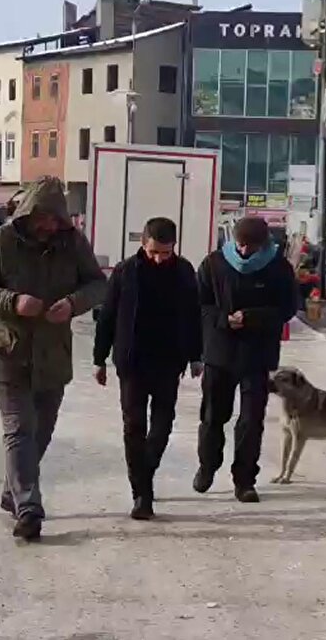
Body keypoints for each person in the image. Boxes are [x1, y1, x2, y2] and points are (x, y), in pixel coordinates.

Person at [0, 176, 106, 541]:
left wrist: (73, 303)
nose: (49, 225)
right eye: (43, 217)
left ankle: (12, 491)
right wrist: (12, 302)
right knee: (20, 428)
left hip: (52, 354)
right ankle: (28, 508)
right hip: (6, 352)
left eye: (56, 219)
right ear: (28, 213)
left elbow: (97, 284)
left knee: (42, 430)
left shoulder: (73, 243)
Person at [92, 217, 203, 521]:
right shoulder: (125, 271)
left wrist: (196, 356)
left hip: (169, 360)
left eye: (165, 253)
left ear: (174, 247)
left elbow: (194, 315)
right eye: (154, 252)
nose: (158, 259)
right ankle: (141, 493)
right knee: (134, 426)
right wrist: (99, 358)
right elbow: (108, 315)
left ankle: (146, 470)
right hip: (132, 361)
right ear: (143, 244)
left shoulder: (184, 272)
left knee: (162, 425)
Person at [194, 216, 297, 503]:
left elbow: (288, 308)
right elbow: (199, 304)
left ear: (263, 244)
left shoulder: (278, 267)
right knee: (213, 416)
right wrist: (222, 319)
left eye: (250, 247)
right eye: (239, 245)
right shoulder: (214, 263)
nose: (243, 252)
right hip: (220, 352)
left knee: (251, 420)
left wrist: (252, 318)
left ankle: (244, 480)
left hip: (257, 355)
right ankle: (207, 465)